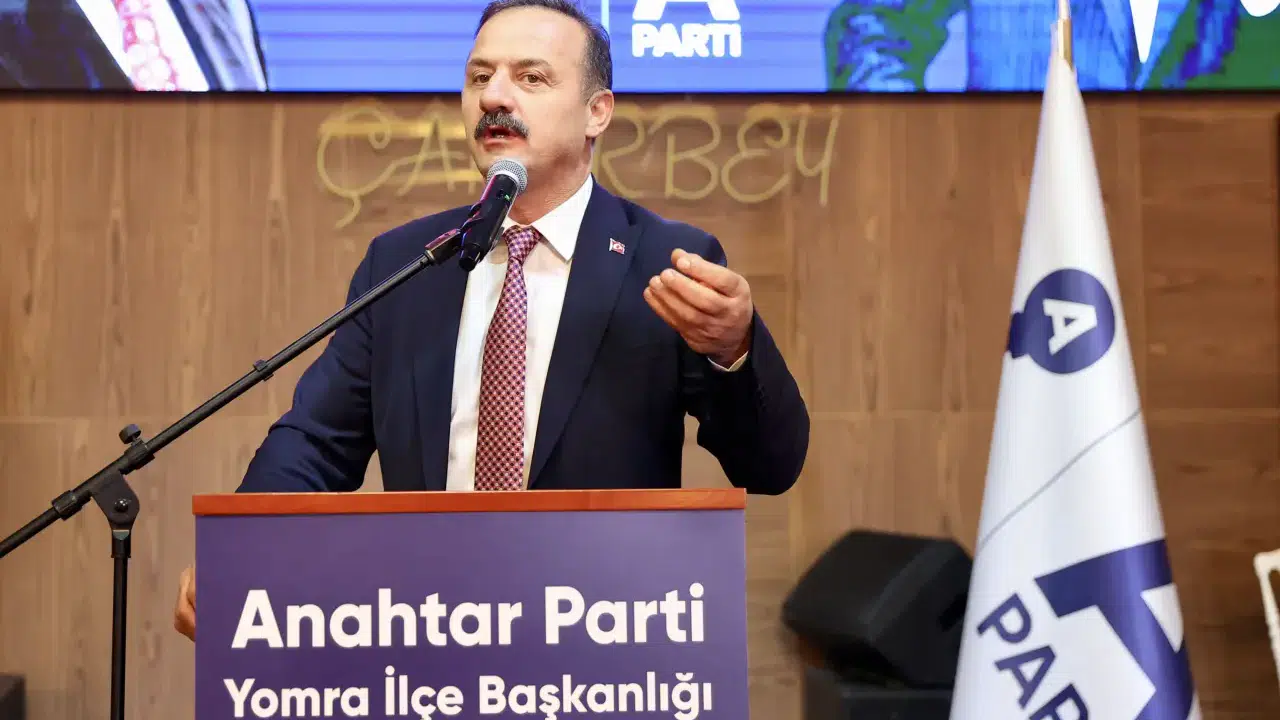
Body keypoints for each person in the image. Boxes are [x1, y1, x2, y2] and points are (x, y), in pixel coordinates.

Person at [172, 0, 809, 640]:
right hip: (429, 634)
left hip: (601, 639)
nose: (494, 96)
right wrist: (242, 549)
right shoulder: (407, 264)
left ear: (597, 112)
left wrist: (734, 349)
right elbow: (315, 443)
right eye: (480, 76)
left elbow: (771, 467)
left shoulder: (662, 261)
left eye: (530, 77)